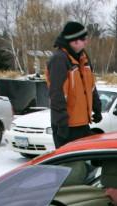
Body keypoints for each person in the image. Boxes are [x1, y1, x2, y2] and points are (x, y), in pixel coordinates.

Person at [46, 21, 103, 149]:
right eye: (83, 39)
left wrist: (97, 108)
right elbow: (56, 94)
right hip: (67, 127)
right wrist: (62, 124)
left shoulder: (83, 58)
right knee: (70, 167)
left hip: (82, 124)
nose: (86, 42)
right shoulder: (59, 60)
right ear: (74, 41)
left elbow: (90, 86)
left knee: (85, 165)